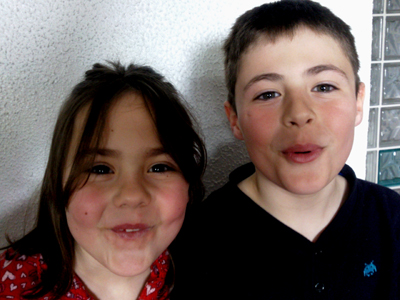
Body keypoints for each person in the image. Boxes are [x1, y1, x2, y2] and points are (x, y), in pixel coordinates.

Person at [172, 1, 400, 299]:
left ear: (358, 102)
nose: (299, 112)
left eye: (324, 87)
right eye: (268, 94)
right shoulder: (196, 244)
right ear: (235, 120)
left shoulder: (392, 219)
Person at [0, 62, 206, 300]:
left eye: (159, 167)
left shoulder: (205, 270)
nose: (132, 195)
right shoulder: (10, 287)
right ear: (57, 183)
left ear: (189, 184)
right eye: (100, 169)